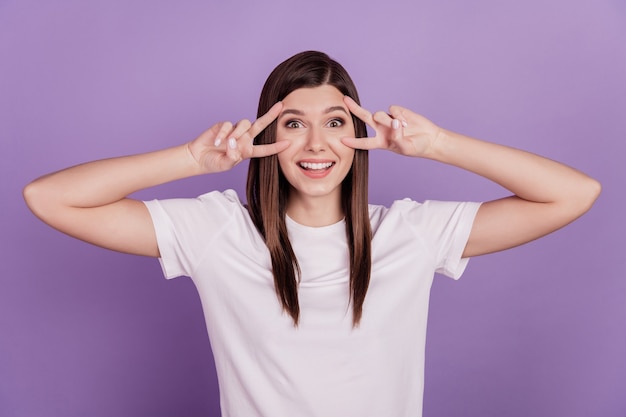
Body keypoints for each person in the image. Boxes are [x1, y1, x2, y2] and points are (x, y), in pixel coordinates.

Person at [23, 51, 600, 417]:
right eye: (294, 124)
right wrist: (191, 160)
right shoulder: (219, 230)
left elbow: (573, 193)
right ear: (268, 135)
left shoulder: (409, 232)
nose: (316, 145)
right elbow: (49, 198)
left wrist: (439, 144)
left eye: (336, 124)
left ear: (359, 135)